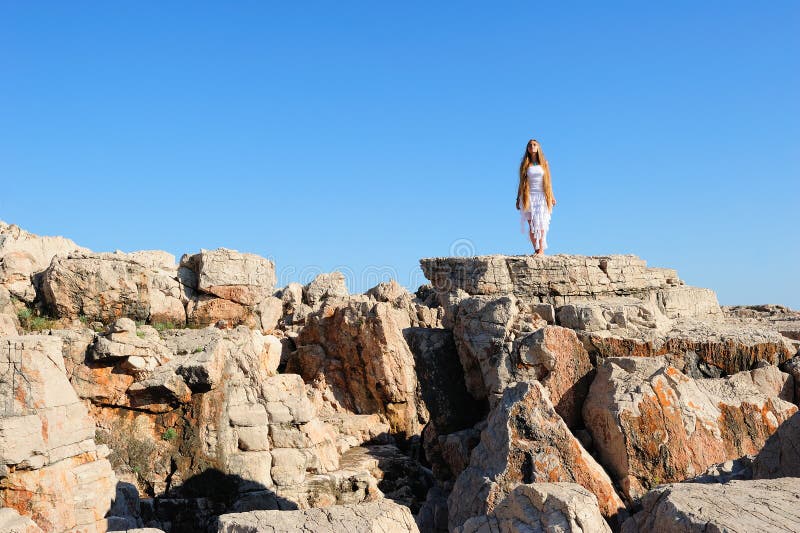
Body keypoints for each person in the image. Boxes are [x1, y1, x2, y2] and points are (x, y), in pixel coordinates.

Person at [515, 138, 556, 255]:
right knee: (532, 225)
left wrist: (552, 196)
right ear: (527, 149)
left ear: (538, 148)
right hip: (528, 197)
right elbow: (521, 182)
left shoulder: (544, 164)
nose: (531, 146)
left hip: (541, 196)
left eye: (534, 145)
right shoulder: (525, 165)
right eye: (529, 145)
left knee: (541, 224)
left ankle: (541, 250)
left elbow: (548, 181)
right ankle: (536, 250)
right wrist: (518, 199)